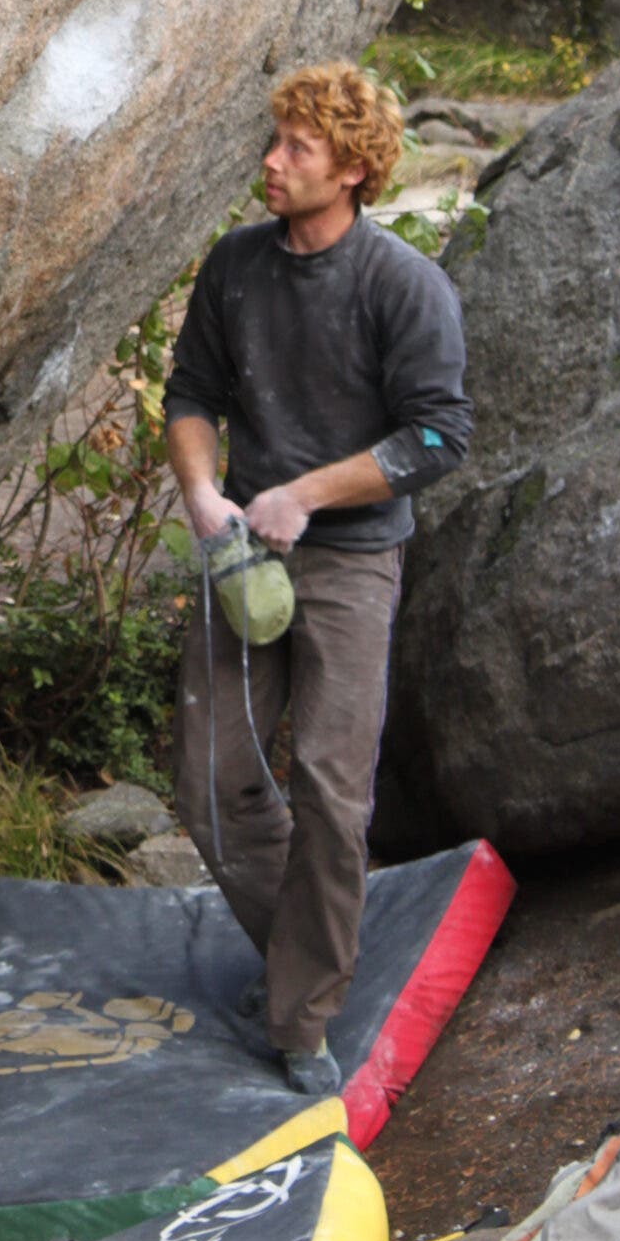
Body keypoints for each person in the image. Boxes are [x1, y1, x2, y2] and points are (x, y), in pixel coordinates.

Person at [163, 62, 472, 1098]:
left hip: (350, 560)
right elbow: (192, 394)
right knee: (212, 781)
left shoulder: (401, 284)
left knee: (335, 796)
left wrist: (309, 493)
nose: (272, 160)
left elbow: (438, 432)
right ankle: (310, 947)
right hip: (242, 550)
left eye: (297, 147)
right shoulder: (238, 268)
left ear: (351, 168)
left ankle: (302, 1019)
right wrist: (206, 493)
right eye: (276, 140)